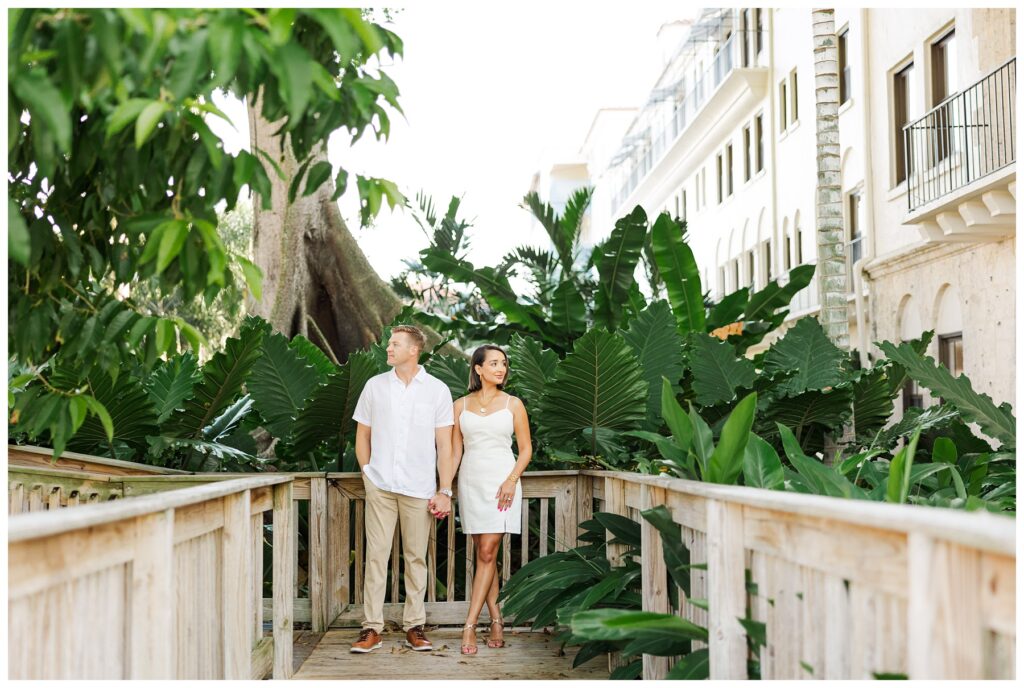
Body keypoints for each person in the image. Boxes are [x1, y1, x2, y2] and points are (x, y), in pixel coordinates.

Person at [349, 325, 455, 654]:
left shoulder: (437, 390)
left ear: (414, 350)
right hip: (380, 484)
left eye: (395, 344)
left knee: (415, 559)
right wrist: (368, 473)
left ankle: (415, 626)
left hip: (420, 488)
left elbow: (445, 446)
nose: (388, 349)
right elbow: (362, 436)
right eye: (389, 344)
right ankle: (372, 628)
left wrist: (445, 490)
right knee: (376, 557)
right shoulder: (374, 386)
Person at [452, 344, 532, 655]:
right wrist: (445, 486)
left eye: (504, 364)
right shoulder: (460, 405)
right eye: (494, 363)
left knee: (487, 550)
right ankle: (497, 619)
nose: (501, 368)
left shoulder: (514, 404)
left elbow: (525, 449)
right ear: (478, 368)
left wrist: (511, 481)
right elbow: (456, 450)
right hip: (471, 481)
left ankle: (469, 625)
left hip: (503, 482)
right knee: (485, 555)